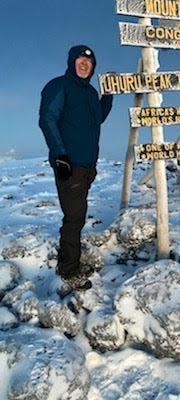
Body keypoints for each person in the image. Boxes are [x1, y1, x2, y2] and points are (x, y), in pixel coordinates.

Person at [39, 45, 113, 290]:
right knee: (74, 218)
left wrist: (108, 97)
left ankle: (70, 262)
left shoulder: (91, 93)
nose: (84, 64)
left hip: (87, 166)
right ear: (72, 62)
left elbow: (96, 119)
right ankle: (69, 270)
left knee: (77, 216)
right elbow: (47, 119)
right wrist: (60, 155)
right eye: (80, 60)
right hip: (68, 165)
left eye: (89, 62)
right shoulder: (59, 86)